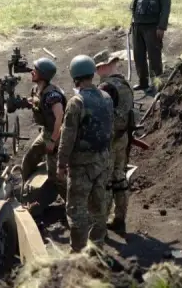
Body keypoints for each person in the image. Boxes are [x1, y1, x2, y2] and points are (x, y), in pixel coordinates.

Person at [57, 55, 114, 252]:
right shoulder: (106, 97)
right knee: (99, 206)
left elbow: (67, 137)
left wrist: (61, 164)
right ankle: (97, 247)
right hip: (102, 160)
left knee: (77, 209)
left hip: (81, 166)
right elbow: (110, 128)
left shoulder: (76, 102)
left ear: (75, 77)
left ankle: (78, 251)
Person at [93, 50, 134, 236]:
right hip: (123, 136)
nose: (97, 72)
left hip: (108, 140)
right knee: (120, 177)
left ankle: (100, 221)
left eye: (98, 68)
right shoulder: (126, 84)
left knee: (106, 181)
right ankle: (120, 217)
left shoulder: (106, 87)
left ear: (104, 66)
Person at [21, 58, 66, 201]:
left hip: (57, 135)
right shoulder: (36, 90)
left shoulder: (53, 96)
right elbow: (37, 103)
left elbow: (60, 118)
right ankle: (26, 195)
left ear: (43, 74)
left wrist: (53, 141)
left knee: (55, 175)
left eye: (36, 70)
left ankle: (70, 203)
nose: (32, 72)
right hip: (46, 132)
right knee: (29, 159)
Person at [130, 0, 171, 94]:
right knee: (138, 55)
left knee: (154, 56)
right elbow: (135, 6)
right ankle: (143, 82)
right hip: (138, 26)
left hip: (152, 27)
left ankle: (156, 83)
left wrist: (161, 27)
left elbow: (165, 9)